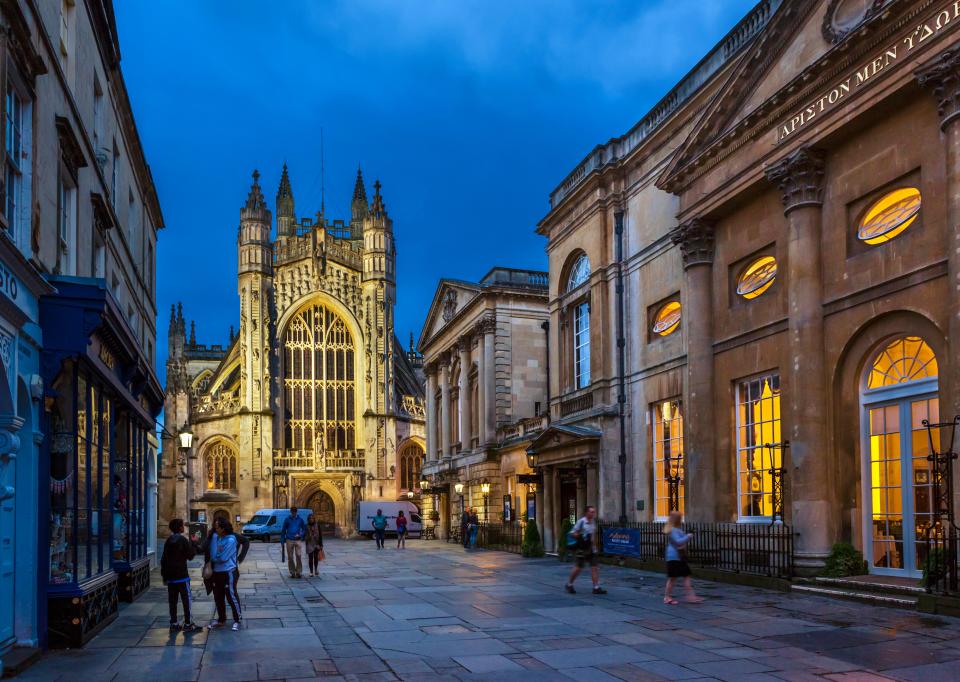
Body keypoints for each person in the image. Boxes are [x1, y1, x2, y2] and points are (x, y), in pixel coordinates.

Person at [160, 518, 197, 632]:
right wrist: (194, 543)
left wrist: (164, 576)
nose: (184, 527)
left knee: (173, 601)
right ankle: (188, 623)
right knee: (186, 600)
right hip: (181, 576)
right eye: (182, 525)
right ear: (180, 527)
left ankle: (174, 623)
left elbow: (163, 559)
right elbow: (190, 556)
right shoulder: (182, 540)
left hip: (171, 577)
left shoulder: (168, 540)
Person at [208, 518, 243, 631]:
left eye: (217, 527)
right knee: (218, 597)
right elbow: (211, 553)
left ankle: (237, 619)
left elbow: (223, 557)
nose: (215, 528)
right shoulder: (217, 538)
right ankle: (221, 619)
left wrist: (215, 557)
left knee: (230, 596)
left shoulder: (231, 540)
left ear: (223, 528)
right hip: (216, 572)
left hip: (228, 572)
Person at [565, 505, 606, 595]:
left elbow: (592, 536)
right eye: (591, 512)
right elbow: (572, 533)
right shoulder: (581, 522)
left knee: (594, 567)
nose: (593, 513)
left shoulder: (593, 522)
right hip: (582, 549)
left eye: (594, 512)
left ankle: (596, 587)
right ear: (586, 512)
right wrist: (580, 537)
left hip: (591, 549)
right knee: (578, 568)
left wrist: (594, 547)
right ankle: (569, 584)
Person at [663, 510, 702, 605]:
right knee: (672, 578)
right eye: (680, 518)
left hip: (679, 557)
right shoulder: (672, 530)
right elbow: (678, 542)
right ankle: (667, 597)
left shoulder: (676, 529)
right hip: (674, 557)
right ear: (678, 520)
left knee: (686, 576)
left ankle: (691, 596)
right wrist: (688, 536)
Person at [281, 506, 307, 578]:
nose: (293, 513)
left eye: (294, 511)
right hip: (289, 539)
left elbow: (304, 529)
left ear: (296, 512)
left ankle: (299, 572)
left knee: (298, 555)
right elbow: (283, 530)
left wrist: (300, 534)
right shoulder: (287, 519)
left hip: (298, 540)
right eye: (292, 511)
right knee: (290, 557)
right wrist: (282, 541)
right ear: (290, 512)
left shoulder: (300, 520)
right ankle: (292, 572)